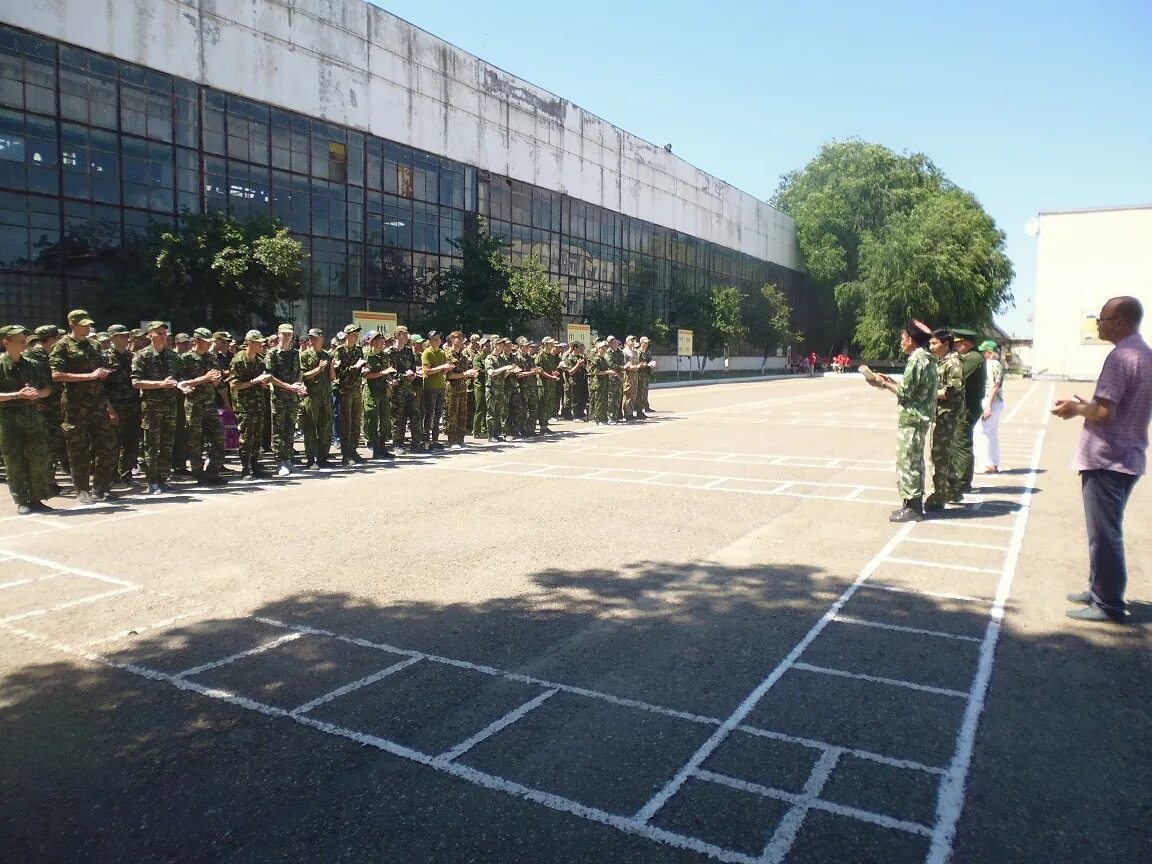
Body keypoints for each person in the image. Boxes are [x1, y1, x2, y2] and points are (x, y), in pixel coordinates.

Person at [1053, 296, 1152, 623]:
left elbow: (1105, 413)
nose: (1098, 323)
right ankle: (1099, 589)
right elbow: (1117, 406)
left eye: (1103, 318)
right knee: (1105, 531)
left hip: (1108, 458)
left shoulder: (1121, 357)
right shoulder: (1143, 354)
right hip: (1127, 455)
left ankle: (1108, 603)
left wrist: (1075, 409)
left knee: (1105, 534)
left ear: (1120, 322)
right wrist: (1088, 404)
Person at [867, 320, 938, 522]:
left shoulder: (917, 359)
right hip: (919, 417)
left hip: (913, 419)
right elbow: (912, 387)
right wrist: (889, 381)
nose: (901, 342)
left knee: (908, 461)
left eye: (903, 338)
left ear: (912, 340)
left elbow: (905, 392)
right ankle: (911, 504)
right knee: (913, 461)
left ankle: (913, 508)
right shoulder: (927, 358)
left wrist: (882, 383)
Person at [50, 309, 118, 504]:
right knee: (78, 449)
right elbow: (56, 375)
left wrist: (103, 375)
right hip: (75, 405)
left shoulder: (94, 345)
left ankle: (100, 488)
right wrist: (88, 376)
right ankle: (82, 489)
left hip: (97, 403)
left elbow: (99, 373)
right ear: (72, 324)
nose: (88, 328)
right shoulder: (62, 346)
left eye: (89, 324)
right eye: (84, 324)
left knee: (107, 446)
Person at [0, 325, 53, 514]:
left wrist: (37, 394)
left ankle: (37, 497)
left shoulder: (32, 364)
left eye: (24, 338)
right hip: (8, 419)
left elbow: (47, 389)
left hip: (32, 417)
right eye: (19, 339)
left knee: (38, 457)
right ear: (6, 341)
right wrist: (17, 395)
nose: (24, 342)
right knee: (14, 460)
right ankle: (21, 499)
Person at [131, 321, 184, 495]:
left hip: (170, 405)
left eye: (164, 333)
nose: (163, 336)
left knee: (167, 445)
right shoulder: (142, 356)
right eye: (158, 333)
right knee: (152, 446)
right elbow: (136, 382)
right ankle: (152, 481)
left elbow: (179, 379)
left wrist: (183, 386)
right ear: (149, 335)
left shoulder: (173, 356)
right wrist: (161, 384)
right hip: (152, 408)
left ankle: (163, 479)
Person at [180, 328, 227, 485]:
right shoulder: (185, 359)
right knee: (195, 441)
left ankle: (213, 471)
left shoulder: (212, 358)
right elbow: (182, 383)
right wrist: (204, 378)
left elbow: (216, 382)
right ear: (197, 341)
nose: (208, 345)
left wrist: (216, 380)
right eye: (205, 341)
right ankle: (199, 473)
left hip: (209, 404)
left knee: (219, 438)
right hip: (194, 404)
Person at [925, 328, 964, 511]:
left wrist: (928, 393)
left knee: (938, 456)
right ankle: (954, 489)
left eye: (935, 343)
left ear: (946, 343)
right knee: (943, 454)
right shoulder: (940, 361)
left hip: (946, 416)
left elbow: (952, 391)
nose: (931, 346)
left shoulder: (953, 362)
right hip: (940, 414)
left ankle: (939, 496)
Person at [230, 330, 273, 479]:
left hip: (259, 403)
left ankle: (255, 465)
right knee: (246, 437)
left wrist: (264, 382)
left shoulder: (260, 360)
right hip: (245, 405)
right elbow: (235, 385)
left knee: (257, 437)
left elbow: (262, 380)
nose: (261, 345)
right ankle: (245, 468)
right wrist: (255, 381)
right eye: (258, 342)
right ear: (249, 343)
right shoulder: (239, 360)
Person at [265, 324, 307, 476]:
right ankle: (280, 461)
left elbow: (299, 372)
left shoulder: (295, 354)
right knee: (279, 430)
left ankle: (288, 459)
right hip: (279, 397)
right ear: (279, 335)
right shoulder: (272, 354)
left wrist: (299, 384)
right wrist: (289, 386)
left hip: (292, 396)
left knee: (290, 429)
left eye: (289, 334)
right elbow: (269, 376)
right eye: (284, 334)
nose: (287, 337)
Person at [102, 324, 141, 485]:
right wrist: (109, 409)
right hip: (115, 407)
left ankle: (126, 474)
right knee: (112, 444)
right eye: (121, 336)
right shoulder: (104, 358)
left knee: (131, 442)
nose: (126, 338)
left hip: (132, 405)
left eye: (126, 335)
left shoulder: (132, 357)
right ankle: (110, 478)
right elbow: (100, 388)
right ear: (112, 338)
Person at [952, 329, 986, 493]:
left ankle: (963, 481)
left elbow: (958, 376)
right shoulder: (970, 356)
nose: (956, 348)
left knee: (961, 443)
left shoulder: (973, 358)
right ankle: (961, 479)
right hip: (965, 406)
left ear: (966, 344)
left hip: (968, 407)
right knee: (958, 442)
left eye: (958, 345)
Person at [299, 328, 335, 469]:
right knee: (310, 428)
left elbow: (332, 377)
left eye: (316, 338)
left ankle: (322, 457)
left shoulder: (327, 355)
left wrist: (331, 366)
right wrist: (318, 370)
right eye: (311, 338)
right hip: (312, 396)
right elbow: (303, 376)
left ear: (321, 339)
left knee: (326, 427)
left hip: (325, 396)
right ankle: (311, 458)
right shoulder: (305, 356)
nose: (313, 340)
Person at [332, 324, 367, 465]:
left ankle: (354, 451)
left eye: (357, 334)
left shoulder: (359, 350)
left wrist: (364, 368)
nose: (356, 336)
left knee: (356, 422)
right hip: (345, 390)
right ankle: (346, 454)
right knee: (346, 423)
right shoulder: (339, 351)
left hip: (357, 389)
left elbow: (363, 365)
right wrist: (355, 367)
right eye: (353, 334)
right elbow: (338, 374)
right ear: (346, 335)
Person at [387, 325, 423, 453]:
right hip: (397, 390)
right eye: (404, 334)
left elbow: (414, 367)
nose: (407, 336)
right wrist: (403, 375)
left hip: (409, 388)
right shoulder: (389, 353)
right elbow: (389, 372)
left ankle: (416, 444)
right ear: (397, 335)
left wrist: (413, 374)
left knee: (415, 415)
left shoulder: (409, 352)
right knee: (398, 418)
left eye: (407, 334)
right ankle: (398, 444)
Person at [361, 330, 395, 460]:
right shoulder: (368, 356)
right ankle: (375, 449)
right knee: (372, 422)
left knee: (385, 421)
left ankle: (383, 447)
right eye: (380, 341)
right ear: (373, 342)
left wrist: (391, 381)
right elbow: (367, 376)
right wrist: (383, 372)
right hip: (372, 392)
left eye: (383, 341)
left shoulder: (385, 356)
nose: (383, 343)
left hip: (383, 392)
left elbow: (387, 373)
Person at [444, 331, 477, 449]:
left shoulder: (462, 357)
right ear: (453, 340)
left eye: (462, 338)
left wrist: (470, 374)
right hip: (452, 388)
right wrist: (465, 374)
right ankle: (452, 440)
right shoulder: (448, 355)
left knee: (462, 413)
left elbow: (464, 373)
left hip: (462, 387)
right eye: (459, 338)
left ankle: (460, 439)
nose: (462, 340)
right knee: (452, 414)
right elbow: (449, 376)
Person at [420, 330, 452, 450]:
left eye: (438, 339)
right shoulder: (427, 353)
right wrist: (442, 367)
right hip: (430, 387)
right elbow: (427, 371)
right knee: (429, 414)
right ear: (429, 341)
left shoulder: (442, 353)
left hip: (440, 386)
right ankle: (426, 439)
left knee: (438, 414)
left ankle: (435, 439)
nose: (437, 341)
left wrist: (447, 368)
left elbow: (442, 371)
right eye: (434, 339)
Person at [976, 339, 1005, 473]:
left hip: (991, 401)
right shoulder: (993, 364)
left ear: (989, 352)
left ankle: (988, 463)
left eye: (984, 351)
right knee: (991, 433)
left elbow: (995, 386)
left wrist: (988, 406)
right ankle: (993, 463)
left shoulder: (993, 364)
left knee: (983, 432)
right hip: (995, 401)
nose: (983, 354)